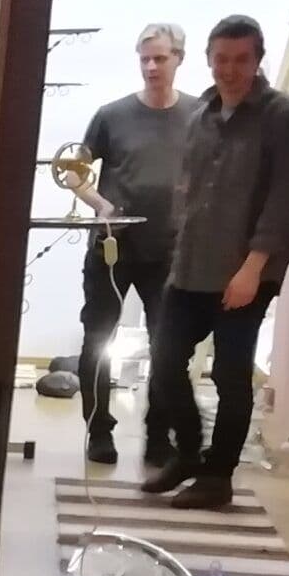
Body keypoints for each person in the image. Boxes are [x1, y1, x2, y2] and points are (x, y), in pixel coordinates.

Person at [141, 14, 289, 511]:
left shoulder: (285, 116)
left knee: (230, 375)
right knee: (165, 362)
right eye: (221, 59)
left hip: (246, 271)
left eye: (241, 59)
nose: (230, 70)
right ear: (208, 59)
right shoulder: (202, 113)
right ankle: (189, 452)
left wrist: (252, 269)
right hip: (192, 264)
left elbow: (282, 199)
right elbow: (190, 191)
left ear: (258, 61)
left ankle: (217, 477)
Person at [74, 24, 200, 466]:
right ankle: (99, 432)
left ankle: (158, 436)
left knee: (168, 348)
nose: (151, 67)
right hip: (113, 249)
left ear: (179, 58)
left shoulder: (200, 115)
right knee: (97, 341)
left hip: (169, 252)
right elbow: (73, 172)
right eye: (144, 58)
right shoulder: (111, 116)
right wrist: (100, 204)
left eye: (160, 58)